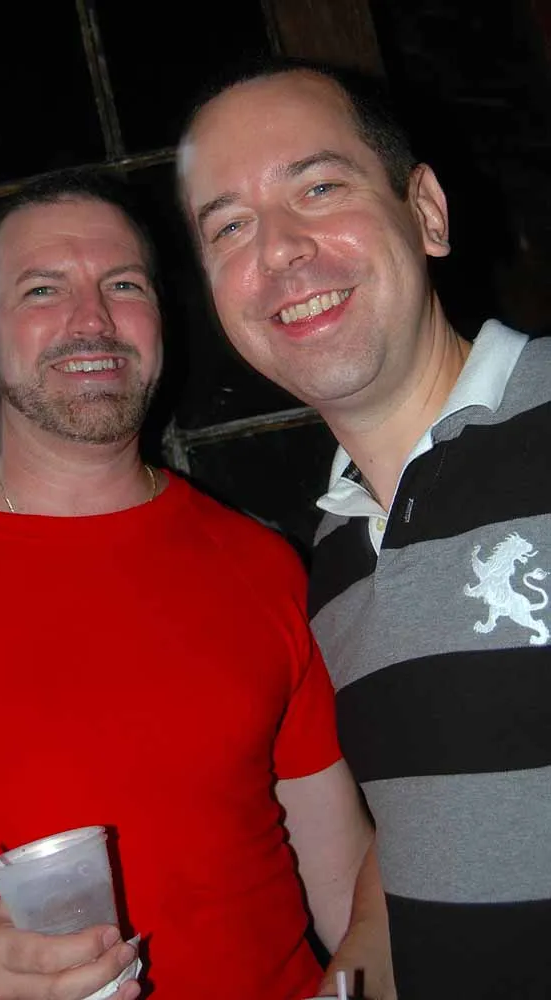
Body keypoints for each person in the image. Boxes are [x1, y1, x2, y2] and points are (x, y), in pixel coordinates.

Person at [0, 170, 392, 1000]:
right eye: (43, 290)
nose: (91, 319)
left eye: (124, 286)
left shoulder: (261, 564)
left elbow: (342, 874)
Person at [177, 60, 551, 1000]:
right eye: (230, 227)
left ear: (426, 212)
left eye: (319, 187)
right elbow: (426, 830)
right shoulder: (335, 562)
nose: (279, 250)